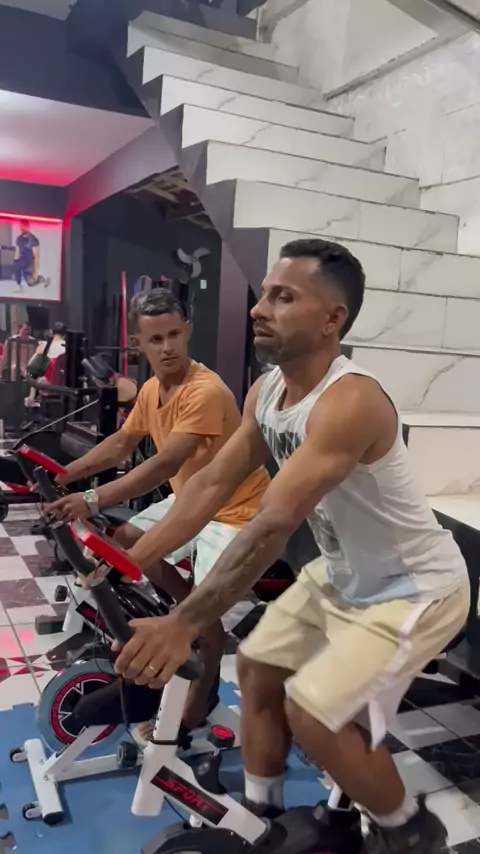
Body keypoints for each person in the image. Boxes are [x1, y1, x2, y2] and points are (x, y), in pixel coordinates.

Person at [113, 239, 469, 854]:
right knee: (257, 669)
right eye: (265, 294)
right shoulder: (267, 391)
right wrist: (122, 562)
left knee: (315, 711)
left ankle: (410, 830)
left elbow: (272, 522)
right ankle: (264, 814)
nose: (259, 308)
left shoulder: (350, 400)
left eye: (283, 297)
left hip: (413, 586)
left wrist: (183, 621)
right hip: (344, 571)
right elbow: (209, 487)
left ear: (332, 319)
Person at [47, 288, 269, 731]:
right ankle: (179, 611)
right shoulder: (151, 389)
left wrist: (90, 498)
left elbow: (164, 464)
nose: (167, 347)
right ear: (138, 344)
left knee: (205, 618)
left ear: (187, 332)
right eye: (155, 339)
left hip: (235, 510)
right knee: (125, 540)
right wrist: (64, 475)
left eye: (173, 335)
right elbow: (122, 443)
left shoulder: (204, 391)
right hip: (191, 499)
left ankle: (196, 702)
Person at [13, 220, 41, 292]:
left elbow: (36, 257)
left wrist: (35, 272)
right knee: (17, 264)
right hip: (22, 262)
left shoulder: (33, 240)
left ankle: (41, 279)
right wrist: (15, 265)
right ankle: (19, 286)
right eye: (21, 226)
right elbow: (17, 253)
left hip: (30, 263)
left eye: (24, 226)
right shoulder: (19, 239)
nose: (22, 228)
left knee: (31, 283)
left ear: (28, 227)